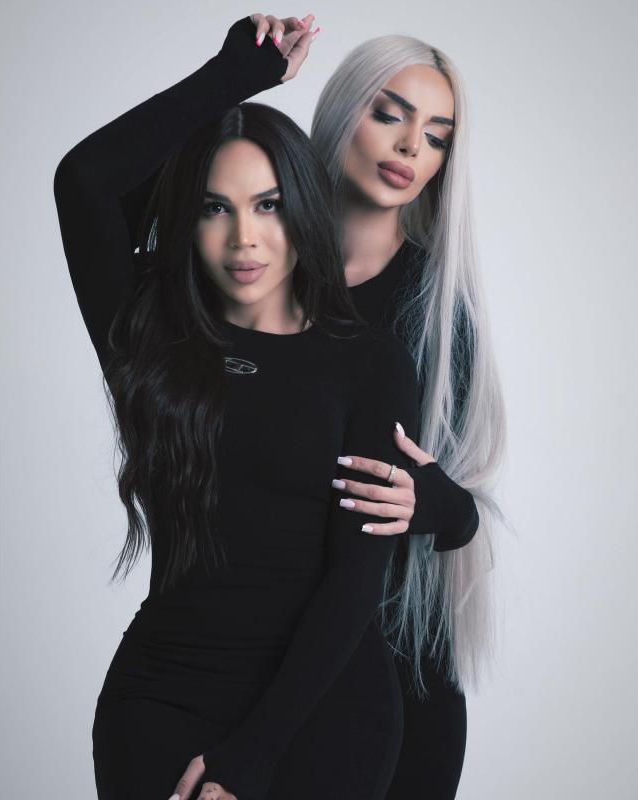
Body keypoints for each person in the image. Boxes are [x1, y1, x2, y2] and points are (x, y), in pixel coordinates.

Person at [53, 13, 424, 800]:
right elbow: (85, 183)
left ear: (303, 213)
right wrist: (233, 80)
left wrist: (252, 756)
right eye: (215, 208)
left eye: (269, 205)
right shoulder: (149, 336)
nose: (244, 239)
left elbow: (355, 583)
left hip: (326, 710)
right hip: (163, 698)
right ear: (186, 221)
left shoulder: (369, 362)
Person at [307, 25, 508, 799]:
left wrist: (435, 503)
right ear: (342, 112)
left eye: (436, 135)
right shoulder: (252, 274)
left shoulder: (437, 307)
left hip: (400, 672)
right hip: (261, 661)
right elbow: (101, 202)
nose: (409, 146)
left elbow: (460, 511)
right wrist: (233, 79)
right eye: (389, 114)